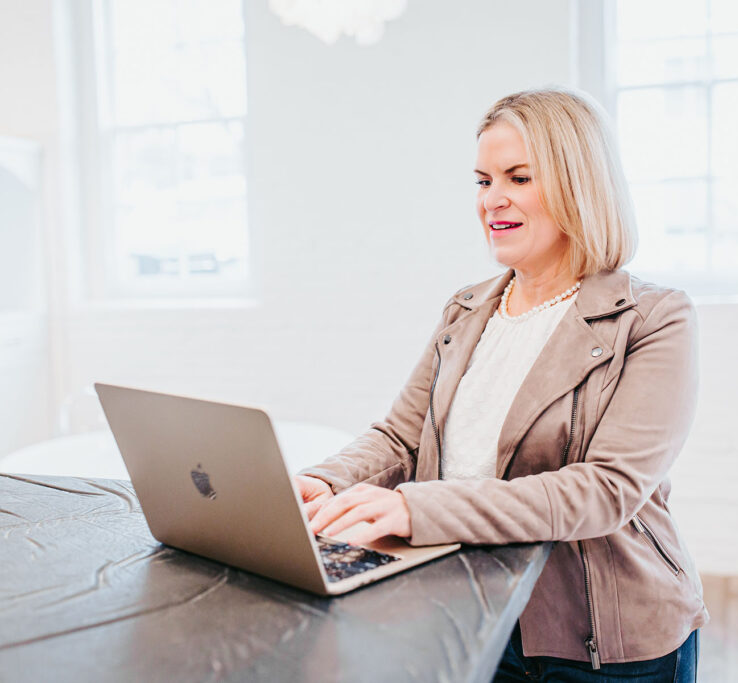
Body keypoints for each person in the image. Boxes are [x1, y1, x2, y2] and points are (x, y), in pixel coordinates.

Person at [294, 88, 707, 682]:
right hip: (472, 607)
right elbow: (401, 438)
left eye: (518, 178)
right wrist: (322, 481)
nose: (493, 200)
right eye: (483, 181)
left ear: (578, 183)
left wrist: (415, 506)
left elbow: (605, 491)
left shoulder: (655, 318)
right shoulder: (466, 310)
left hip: (604, 643)